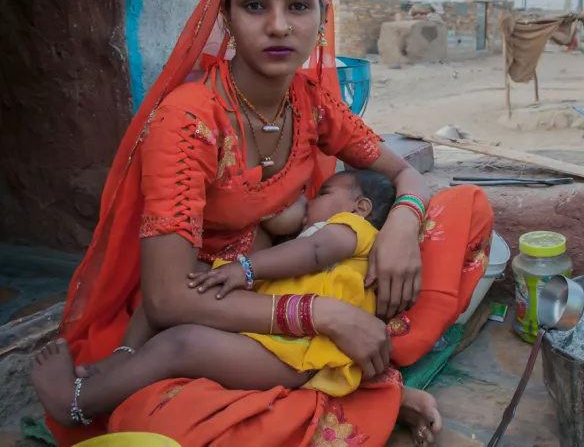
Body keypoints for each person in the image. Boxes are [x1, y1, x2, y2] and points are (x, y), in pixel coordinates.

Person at [49, 0, 494, 447]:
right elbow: (168, 300)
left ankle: (353, 364)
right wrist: (323, 315)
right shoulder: (190, 120)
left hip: (294, 282)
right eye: (256, 5)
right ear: (227, 17)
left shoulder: (310, 103)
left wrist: (402, 220)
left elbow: (406, 174)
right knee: (161, 423)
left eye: (299, 7)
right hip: (211, 303)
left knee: (465, 206)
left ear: (321, 19)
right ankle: (358, 381)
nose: (279, 26)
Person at [33, 170, 404, 423]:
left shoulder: (352, 229)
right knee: (177, 280)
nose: (311, 200)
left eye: (324, 192)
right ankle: (122, 358)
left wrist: (247, 269)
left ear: (361, 207)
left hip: (297, 356)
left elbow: (315, 252)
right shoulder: (318, 234)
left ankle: (79, 404)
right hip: (275, 337)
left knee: (183, 344)